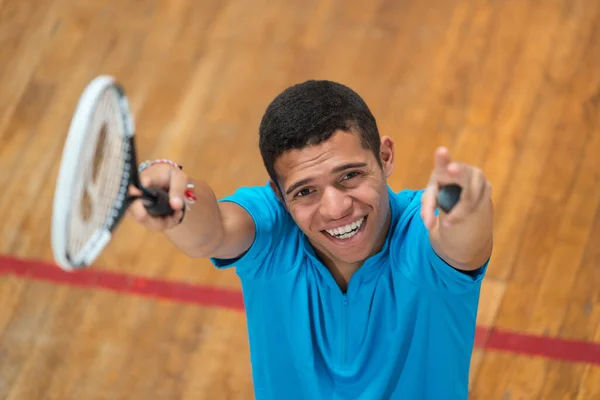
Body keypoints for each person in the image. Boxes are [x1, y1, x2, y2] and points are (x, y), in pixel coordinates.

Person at [129, 80, 494, 399]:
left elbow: (464, 241)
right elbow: (209, 232)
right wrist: (175, 198)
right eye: (305, 191)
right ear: (278, 194)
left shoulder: (424, 236)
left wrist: (469, 203)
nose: (336, 208)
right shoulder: (271, 231)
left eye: (350, 175)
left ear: (384, 157)